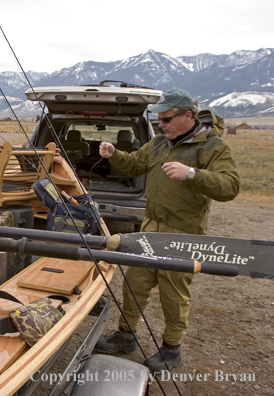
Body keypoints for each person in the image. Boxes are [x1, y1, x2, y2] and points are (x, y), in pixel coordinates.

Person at [94, 89, 240, 372]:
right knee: (135, 282)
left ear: (188, 115)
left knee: (173, 293)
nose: (161, 124)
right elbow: (136, 165)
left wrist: (194, 174)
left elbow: (230, 187)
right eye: (158, 119)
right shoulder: (160, 142)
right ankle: (126, 335)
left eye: (167, 118)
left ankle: (171, 348)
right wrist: (115, 155)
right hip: (150, 226)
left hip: (183, 233)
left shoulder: (212, 146)